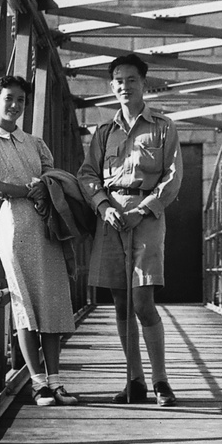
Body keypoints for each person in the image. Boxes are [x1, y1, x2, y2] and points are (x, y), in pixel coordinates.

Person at [78, 53, 183, 407]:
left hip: (146, 218)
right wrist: (103, 206)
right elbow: (87, 174)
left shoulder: (164, 127)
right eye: (119, 81)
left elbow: (172, 176)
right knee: (121, 304)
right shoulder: (103, 132)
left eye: (132, 80)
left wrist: (143, 209)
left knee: (143, 301)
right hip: (110, 218)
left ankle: (161, 381)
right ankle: (134, 381)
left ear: (144, 83)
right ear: (112, 87)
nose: (125, 86)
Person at [0, 74, 78, 407]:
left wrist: (44, 185)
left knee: (51, 301)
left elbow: (54, 177)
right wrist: (32, 188)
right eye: (8, 98)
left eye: (21, 101)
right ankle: (37, 383)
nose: (14, 105)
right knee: (25, 303)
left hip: (45, 225)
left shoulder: (35, 142)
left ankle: (56, 381)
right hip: (14, 225)